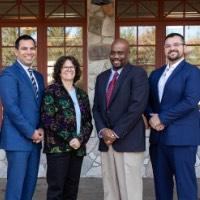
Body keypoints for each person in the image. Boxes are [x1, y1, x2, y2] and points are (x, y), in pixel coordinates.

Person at [92, 38, 149, 200]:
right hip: (107, 142)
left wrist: (115, 133)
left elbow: (137, 106)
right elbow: (96, 108)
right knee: (110, 189)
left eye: (120, 53)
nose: (116, 56)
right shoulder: (102, 77)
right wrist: (103, 131)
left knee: (130, 190)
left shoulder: (138, 74)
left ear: (128, 54)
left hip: (128, 140)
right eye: (113, 52)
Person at [146, 33, 200, 200]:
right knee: (161, 187)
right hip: (158, 140)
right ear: (164, 49)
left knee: (186, 186)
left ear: (184, 48)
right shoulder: (155, 74)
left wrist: (162, 118)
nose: (172, 48)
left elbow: (190, 101)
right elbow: (146, 101)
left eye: (176, 44)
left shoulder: (193, 72)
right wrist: (151, 117)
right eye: (168, 45)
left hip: (182, 140)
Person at [41, 55, 93, 200]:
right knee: (56, 189)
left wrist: (80, 139)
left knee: (72, 188)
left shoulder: (82, 94)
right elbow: (48, 119)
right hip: (58, 148)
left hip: (77, 148)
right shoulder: (51, 91)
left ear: (76, 70)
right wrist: (70, 138)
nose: (69, 70)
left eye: (72, 67)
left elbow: (88, 121)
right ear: (59, 71)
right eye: (66, 67)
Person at [0, 34, 45, 200]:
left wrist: (40, 128)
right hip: (18, 140)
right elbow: (11, 108)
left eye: (32, 48)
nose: (29, 52)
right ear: (16, 52)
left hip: (35, 140)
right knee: (15, 188)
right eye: (24, 48)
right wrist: (30, 132)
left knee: (29, 186)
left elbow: (40, 107)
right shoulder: (9, 75)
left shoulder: (38, 77)